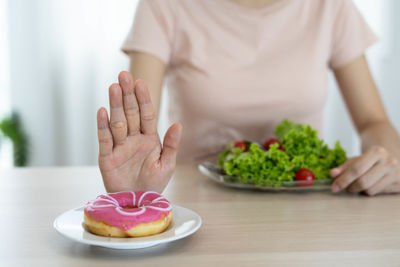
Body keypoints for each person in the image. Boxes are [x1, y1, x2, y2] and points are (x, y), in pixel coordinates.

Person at [96, 0, 400, 196]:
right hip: (199, 206)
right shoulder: (163, 6)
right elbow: (138, 133)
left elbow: (374, 122)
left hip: (306, 208)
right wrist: (136, 190)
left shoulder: (330, 7)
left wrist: (388, 161)